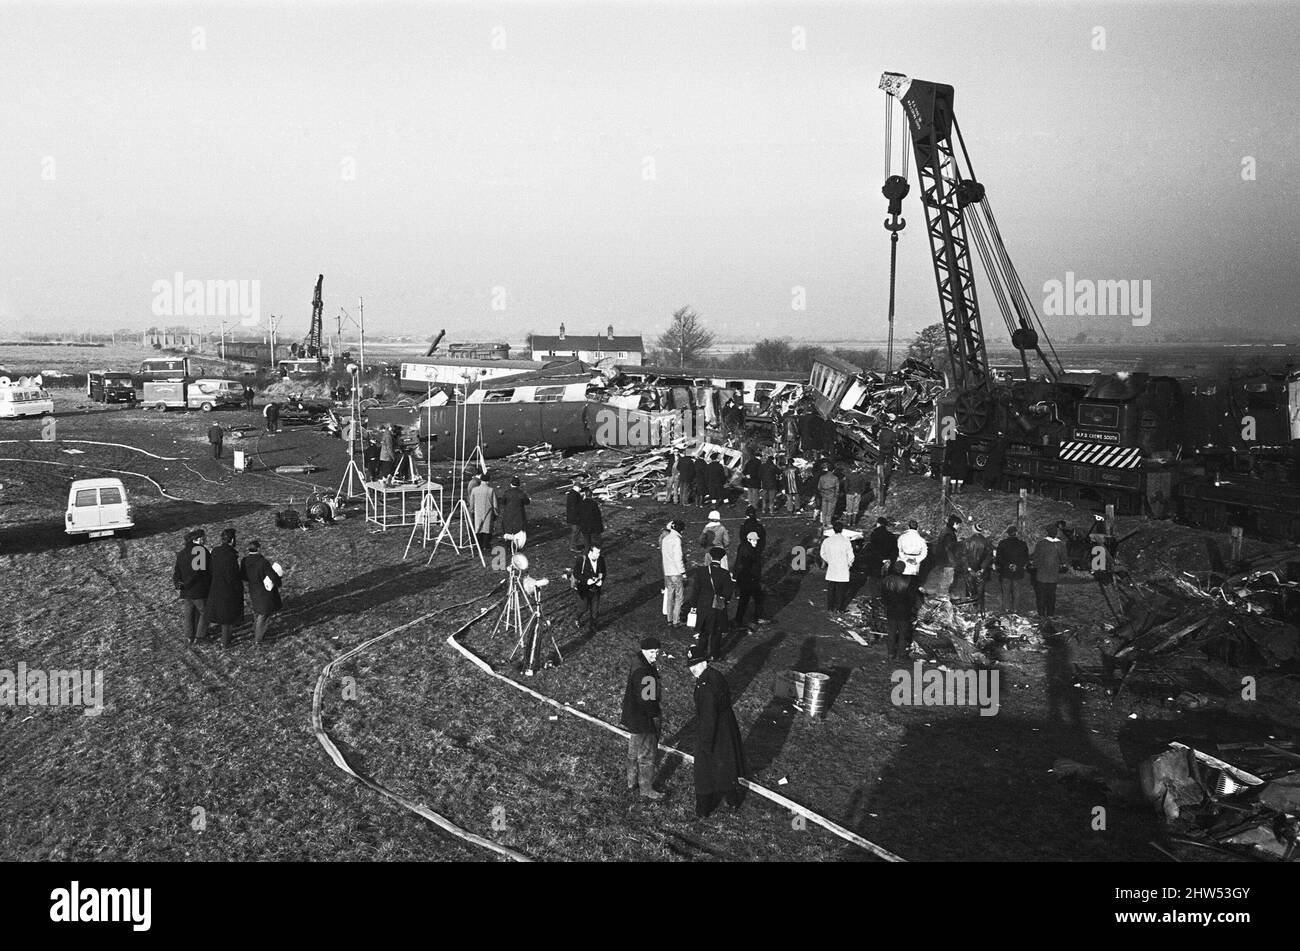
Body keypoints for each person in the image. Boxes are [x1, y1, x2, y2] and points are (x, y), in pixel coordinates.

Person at [687, 644, 747, 819]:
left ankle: (703, 809)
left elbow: (708, 718)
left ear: (705, 662)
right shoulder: (715, 675)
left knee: (703, 771)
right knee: (725, 766)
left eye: (696, 664)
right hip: (726, 729)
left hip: (713, 730)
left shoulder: (705, 686)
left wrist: (705, 743)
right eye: (691, 665)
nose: (693, 669)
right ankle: (733, 800)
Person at [620, 636, 665, 800]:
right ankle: (646, 788)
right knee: (647, 755)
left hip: (633, 715)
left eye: (657, 652)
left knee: (633, 751)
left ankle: (631, 782)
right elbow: (648, 700)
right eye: (652, 652)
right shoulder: (645, 671)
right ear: (645, 651)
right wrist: (655, 716)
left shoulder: (637, 661)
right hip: (645, 718)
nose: (655, 656)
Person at [686, 547, 735, 660]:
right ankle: (714, 654)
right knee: (716, 632)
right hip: (717, 606)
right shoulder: (725, 573)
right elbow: (728, 592)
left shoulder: (701, 571)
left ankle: (701, 653)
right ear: (722, 558)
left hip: (702, 605)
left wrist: (693, 605)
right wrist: (725, 601)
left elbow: (696, 590)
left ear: (711, 557)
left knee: (703, 631)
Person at [240, 540, 282, 648]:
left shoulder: (244, 560)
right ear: (258, 549)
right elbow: (272, 576)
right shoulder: (263, 562)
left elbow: (243, 575)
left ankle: (255, 630)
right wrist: (278, 582)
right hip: (264, 591)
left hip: (253, 589)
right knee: (264, 614)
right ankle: (259, 638)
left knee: (257, 611)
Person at [207, 527, 244, 647]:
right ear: (232, 540)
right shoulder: (231, 555)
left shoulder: (215, 551)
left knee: (223, 615)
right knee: (227, 617)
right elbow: (233, 575)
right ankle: (225, 641)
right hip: (228, 589)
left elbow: (211, 569)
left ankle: (226, 637)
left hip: (216, 586)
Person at [172, 529, 210, 645]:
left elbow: (177, 571)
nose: (205, 539)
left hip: (185, 590)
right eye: (203, 537)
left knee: (189, 614)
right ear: (197, 539)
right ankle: (200, 636)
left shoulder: (182, 553)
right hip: (198, 589)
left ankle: (189, 636)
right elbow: (199, 571)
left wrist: (179, 584)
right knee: (205, 612)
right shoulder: (200, 550)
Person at [880, 560, 917, 660]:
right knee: (902, 633)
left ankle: (891, 653)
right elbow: (912, 598)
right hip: (904, 611)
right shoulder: (908, 581)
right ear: (903, 569)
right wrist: (910, 607)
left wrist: (887, 605)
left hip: (891, 610)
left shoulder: (886, 580)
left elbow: (883, 597)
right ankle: (901, 653)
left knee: (891, 633)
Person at [1032, 525, 1067, 621]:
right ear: (1056, 533)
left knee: (1041, 595)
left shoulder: (1041, 543)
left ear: (1047, 532)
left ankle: (1041, 614)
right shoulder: (1060, 544)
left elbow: (1035, 558)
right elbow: (1064, 560)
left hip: (1041, 574)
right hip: (1053, 574)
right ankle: (1050, 613)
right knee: (1051, 595)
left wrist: (1035, 565)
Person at [820, 519, 855, 612]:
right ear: (842, 530)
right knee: (841, 590)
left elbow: (822, 553)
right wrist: (848, 564)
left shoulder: (827, 541)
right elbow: (851, 556)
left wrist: (829, 561)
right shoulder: (846, 541)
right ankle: (839, 608)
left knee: (831, 589)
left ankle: (830, 607)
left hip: (832, 567)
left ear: (833, 529)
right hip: (843, 568)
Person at [732, 530, 766, 627]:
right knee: (758, 598)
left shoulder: (744, 547)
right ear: (749, 540)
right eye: (754, 541)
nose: (755, 542)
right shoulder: (749, 551)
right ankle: (756, 618)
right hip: (750, 580)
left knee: (744, 601)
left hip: (746, 580)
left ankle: (738, 620)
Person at [994, 526, 1031, 614]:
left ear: (1007, 533)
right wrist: (1017, 565)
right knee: (1016, 591)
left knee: (1006, 591)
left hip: (1005, 571)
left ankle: (1006, 608)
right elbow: (1026, 558)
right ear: (1016, 533)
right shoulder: (1022, 544)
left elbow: (998, 558)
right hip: (1018, 572)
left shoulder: (1002, 543)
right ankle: (1015, 609)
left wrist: (1008, 565)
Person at [572, 543, 606, 633]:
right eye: (596, 553)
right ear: (590, 552)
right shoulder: (581, 560)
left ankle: (592, 626)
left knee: (595, 610)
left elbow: (603, 572)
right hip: (583, 589)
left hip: (595, 589)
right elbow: (576, 573)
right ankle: (577, 618)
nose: (598, 555)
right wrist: (586, 581)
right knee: (583, 608)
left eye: (599, 553)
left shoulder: (601, 560)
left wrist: (601, 581)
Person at [660, 519, 687, 627]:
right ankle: (676, 620)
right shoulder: (676, 539)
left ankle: (669, 619)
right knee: (679, 597)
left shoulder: (666, 539)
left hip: (667, 571)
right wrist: (683, 573)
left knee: (670, 596)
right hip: (676, 572)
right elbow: (678, 558)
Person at [931, 514, 964, 601]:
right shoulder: (949, 533)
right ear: (954, 523)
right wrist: (953, 562)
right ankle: (943, 597)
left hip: (943, 560)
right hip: (947, 561)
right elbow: (948, 548)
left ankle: (943, 595)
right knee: (947, 579)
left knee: (945, 579)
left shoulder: (946, 531)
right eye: (959, 524)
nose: (959, 526)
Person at [963, 522, 994, 612]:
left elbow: (964, 557)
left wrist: (969, 568)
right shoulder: (986, 542)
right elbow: (989, 556)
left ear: (974, 529)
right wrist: (982, 569)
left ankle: (970, 612)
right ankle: (981, 611)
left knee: (970, 592)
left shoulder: (967, 541)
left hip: (970, 571)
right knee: (980, 592)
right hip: (982, 572)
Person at [866, 516, 898, 598]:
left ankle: (875, 598)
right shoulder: (891, 536)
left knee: (873, 580)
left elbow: (873, 549)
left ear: (878, 524)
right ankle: (884, 596)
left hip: (876, 561)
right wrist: (889, 559)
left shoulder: (874, 534)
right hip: (888, 561)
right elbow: (895, 550)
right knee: (885, 580)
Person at [469, 473, 498, 555]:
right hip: (488, 512)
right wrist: (496, 512)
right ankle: (486, 545)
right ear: (488, 481)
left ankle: (478, 545)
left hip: (477, 511)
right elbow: (495, 504)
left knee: (478, 528)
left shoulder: (475, 490)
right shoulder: (491, 490)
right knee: (487, 529)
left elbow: (471, 502)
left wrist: (472, 510)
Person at [897, 519, 928, 594]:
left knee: (901, 581)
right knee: (912, 583)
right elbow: (924, 553)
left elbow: (899, 550)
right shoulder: (921, 539)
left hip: (903, 561)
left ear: (908, 527)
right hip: (915, 563)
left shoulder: (902, 537)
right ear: (917, 528)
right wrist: (916, 560)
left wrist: (906, 559)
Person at [844, 462, 873, 527]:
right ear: (857, 470)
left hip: (850, 493)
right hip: (858, 494)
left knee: (849, 508)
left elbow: (845, 486)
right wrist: (860, 492)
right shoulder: (861, 477)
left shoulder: (848, 476)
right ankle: (854, 523)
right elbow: (863, 486)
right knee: (856, 508)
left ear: (851, 470)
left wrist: (847, 492)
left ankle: (849, 523)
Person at [877, 425, 897, 503]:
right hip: (889, 449)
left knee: (881, 460)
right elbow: (894, 442)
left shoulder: (882, 432)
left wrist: (882, 445)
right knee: (889, 461)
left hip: (882, 448)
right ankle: (887, 473)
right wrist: (890, 445)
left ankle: (880, 471)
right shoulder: (893, 433)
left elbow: (879, 440)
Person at [565, 481, 584, 552]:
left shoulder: (572, 493)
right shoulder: (575, 495)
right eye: (580, 488)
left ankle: (573, 546)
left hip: (572, 517)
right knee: (576, 532)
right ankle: (573, 547)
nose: (580, 489)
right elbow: (575, 507)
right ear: (576, 487)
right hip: (575, 518)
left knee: (575, 532)